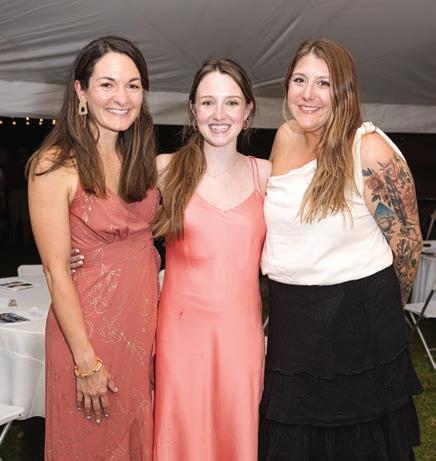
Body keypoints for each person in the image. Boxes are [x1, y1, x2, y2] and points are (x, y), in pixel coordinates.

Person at [259, 38, 423, 460]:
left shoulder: (367, 147)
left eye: (323, 83)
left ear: (344, 90)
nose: (308, 94)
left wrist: (386, 307)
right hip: (292, 326)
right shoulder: (284, 137)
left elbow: (407, 243)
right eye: (300, 80)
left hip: (358, 326)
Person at [27, 36, 159, 460]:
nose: (122, 97)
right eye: (107, 84)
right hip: (88, 336)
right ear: (81, 91)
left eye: (133, 85)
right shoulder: (54, 165)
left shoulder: (140, 158)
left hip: (143, 328)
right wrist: (86, 363)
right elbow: (55, 272)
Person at [152, 59, 271, 460]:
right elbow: (122, 228)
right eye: (208, 103)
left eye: (231, 103)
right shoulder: (165, 169)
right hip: (180, 334)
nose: (219, 115)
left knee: (235, 435)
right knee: (180, 435)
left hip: (241, 335)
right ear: (193, 109)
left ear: (248, 109)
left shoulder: (266, 175)